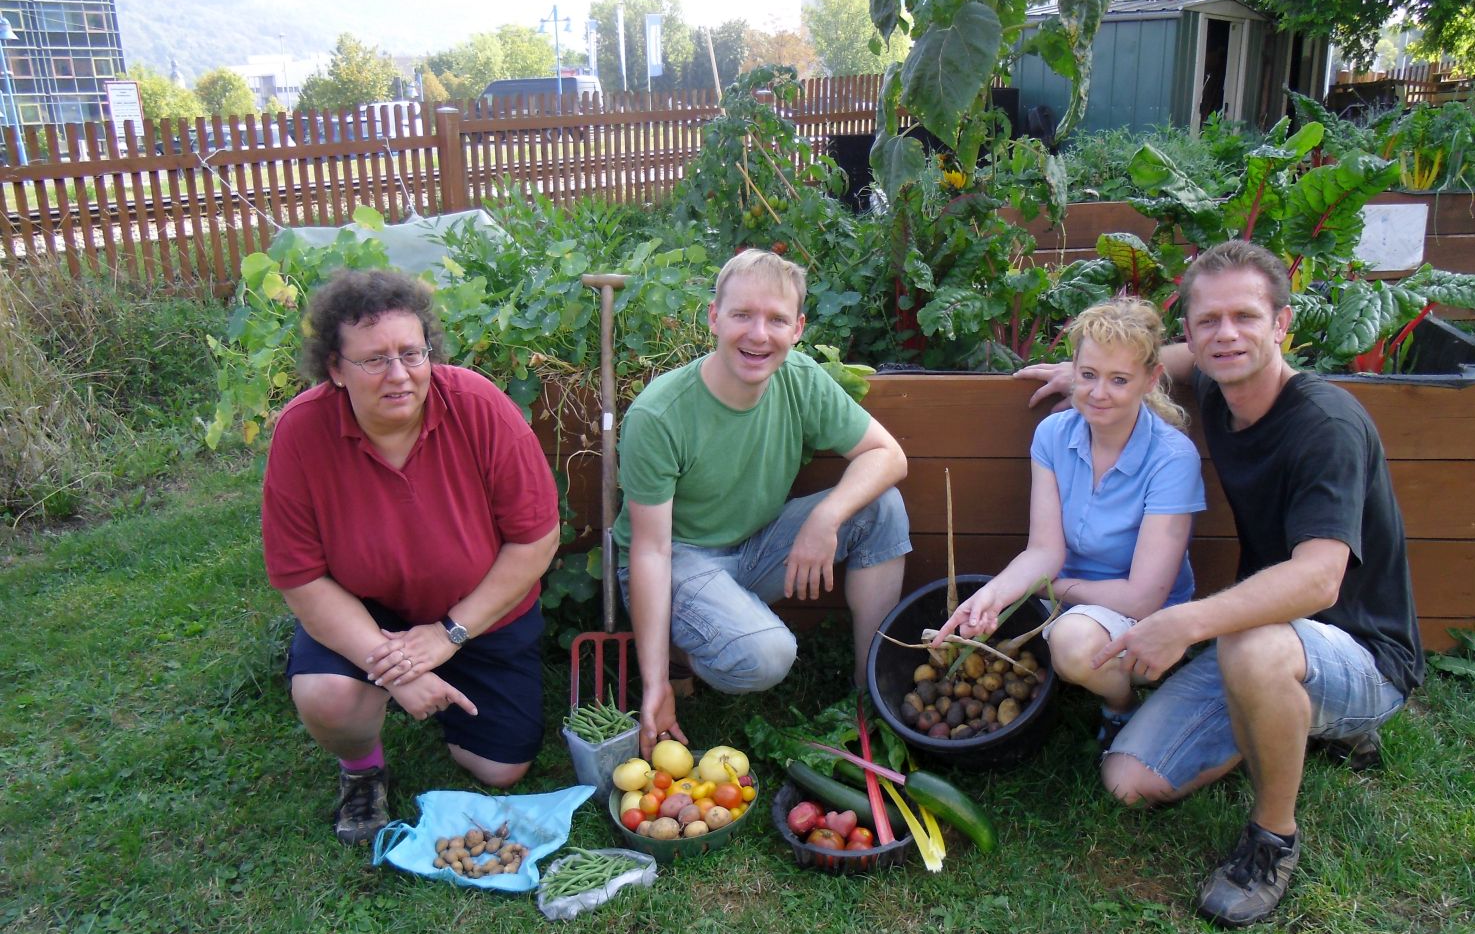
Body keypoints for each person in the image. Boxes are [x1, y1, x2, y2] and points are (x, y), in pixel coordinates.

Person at [1020, 240, 1424, 927]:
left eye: (1245, 316)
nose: (1225, 334)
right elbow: (1165, 361)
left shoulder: (1325, 427)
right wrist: (1085, 370)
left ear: (1282, 325)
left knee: (1250, 647)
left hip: (1359, 652)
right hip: (1258, 636)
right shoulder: (1219, 380)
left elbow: (1320, 580)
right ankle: (1285, 723)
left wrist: (1188, 621)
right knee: (1128, 782)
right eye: (1208, 321)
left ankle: (1271, 840)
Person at [261, 269, 560, 845]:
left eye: (411, 353)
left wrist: (448, 635)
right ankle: (362, 768)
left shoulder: (478, 406)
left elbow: (536, 539)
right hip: (367, 613)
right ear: (335, 369)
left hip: (478, 613)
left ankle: (439, 686)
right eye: (374, 360)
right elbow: (301, 578)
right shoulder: (302, 433)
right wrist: (390, 662)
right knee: (329, 696)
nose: (398, 375)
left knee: (502, 769)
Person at [613, 249, 911, 754]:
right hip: (677, 560)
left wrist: (827, 515)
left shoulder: (801, 377)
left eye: (776, 319)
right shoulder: (659, 415)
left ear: (797, 329)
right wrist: (655, 683)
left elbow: (888, 455)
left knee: (880, 507)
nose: (758, 335)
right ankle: (687, 651)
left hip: (756, 545)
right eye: (742, 315)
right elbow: (649, 552)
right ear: (713, 317)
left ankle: (869, 694)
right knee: (768, 655)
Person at [934, 298, 1205, 748]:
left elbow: (1143, 596)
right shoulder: (1055, 434)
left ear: (1150, 380)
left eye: (1119, 380)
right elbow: (1044, 550)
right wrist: (990, 596)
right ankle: (1070, 661)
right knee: (1007, 617)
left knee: (1071, 642)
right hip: (1068, 591)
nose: (1099, 393)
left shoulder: (1172, 459)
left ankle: (1120, 708)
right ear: (1073, 368)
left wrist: (1047, 588)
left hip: (1138, 611)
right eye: (1088, 375)